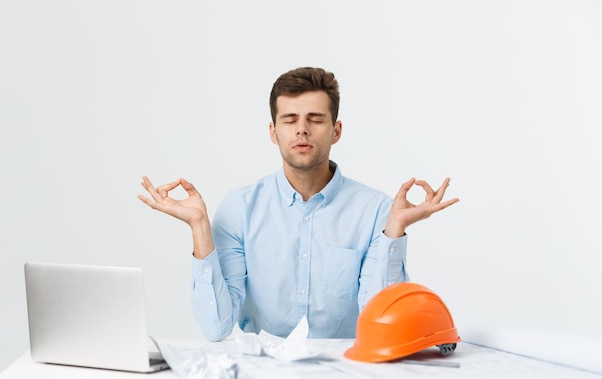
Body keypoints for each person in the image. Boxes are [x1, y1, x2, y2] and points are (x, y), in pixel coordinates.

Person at [138, 67, 458, 341]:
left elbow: (384, 325)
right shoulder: (239, 209)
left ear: (336, 131)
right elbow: (216, 327)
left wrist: (395, 231)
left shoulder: (376, 211)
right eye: (290, 119)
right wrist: (199, 229)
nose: (302, 129)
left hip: (345, 377)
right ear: (273, 132)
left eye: (315, 119)